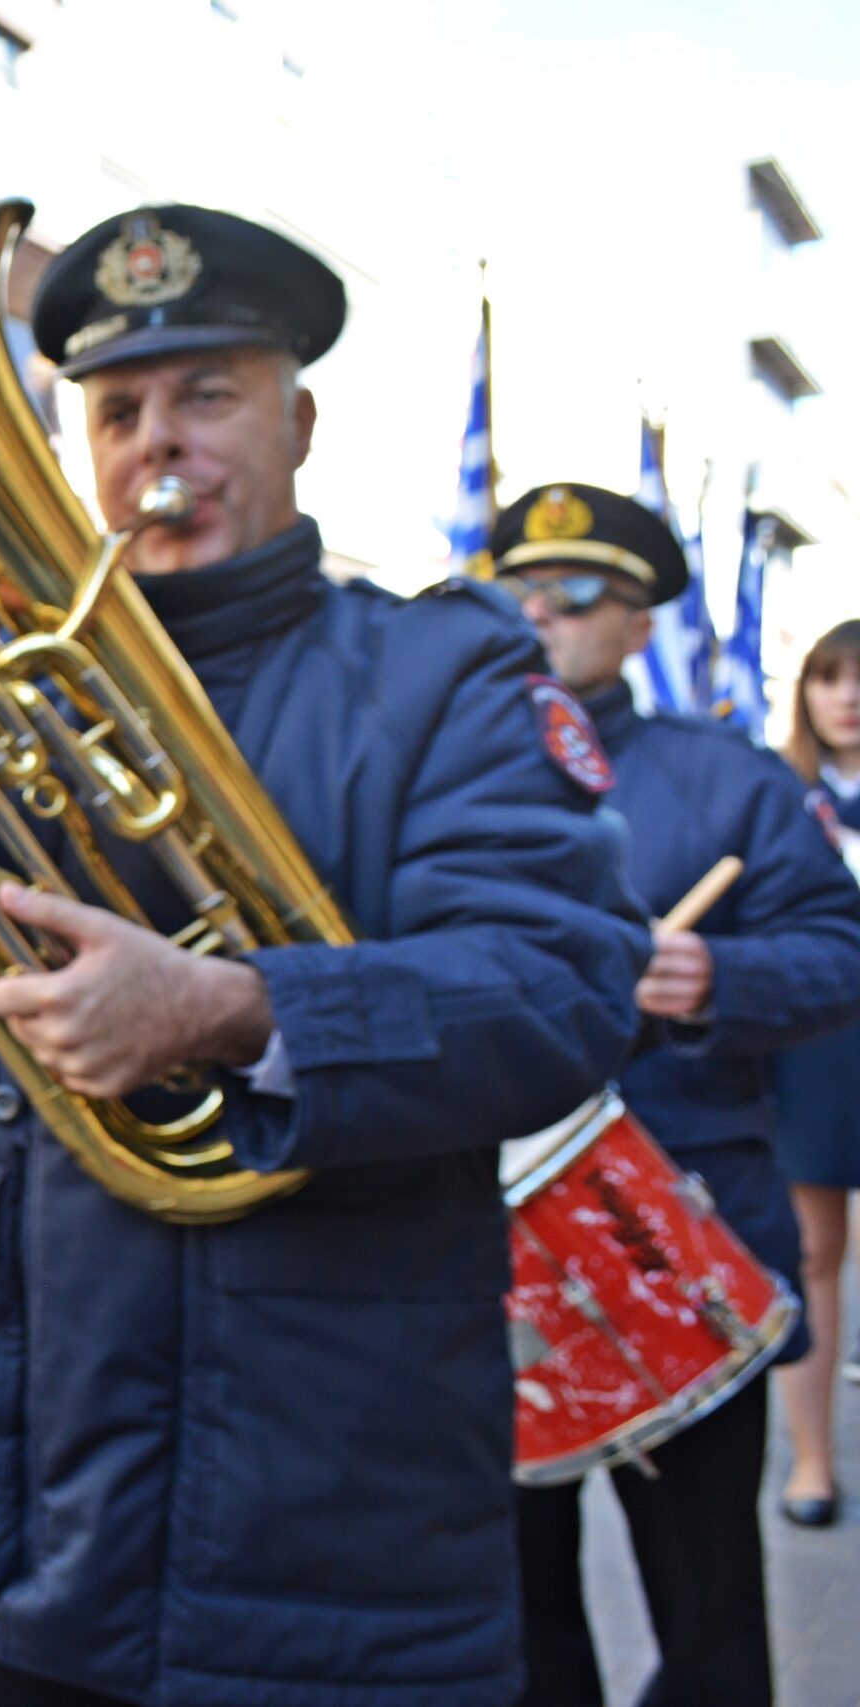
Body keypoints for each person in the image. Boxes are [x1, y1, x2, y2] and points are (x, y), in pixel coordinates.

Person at [0, 205, 647, 1707]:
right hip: (34, 1486)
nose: (157, 444)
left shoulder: (449, 672)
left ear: (299, 420)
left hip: (329, 1511)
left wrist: (233, 1009)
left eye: (208, 397)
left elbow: (559, 991)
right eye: (118, 411)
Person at [492, 487, 860, 1705]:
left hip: (676, 1226)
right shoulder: (440, 769)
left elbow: (838, 952)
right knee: (510, 1600)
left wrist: (718, 974)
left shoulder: (727, 780)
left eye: (577, 592)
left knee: (707, 1605)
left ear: (640, 624)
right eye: (520, 586)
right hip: (484, 1240)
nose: (539, 610)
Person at [769, 617, 860, 1524]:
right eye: (831, 678)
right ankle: (812, 1462)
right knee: (816, 1252)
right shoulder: (780, 798)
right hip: (820, 1053)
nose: (849, 696)